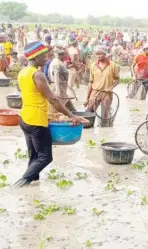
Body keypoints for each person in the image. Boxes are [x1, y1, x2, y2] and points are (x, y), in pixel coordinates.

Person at [14, 41, 87, 187]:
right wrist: (71, 115)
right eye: (44, 56)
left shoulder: (22, 73)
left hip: (24, 118)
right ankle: (20, 184)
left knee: (34, 155)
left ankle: (33, 184)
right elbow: (52, 99)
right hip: (35, 120)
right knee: (45, 157)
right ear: (35, 57)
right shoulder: (37, 74)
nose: (46, 59)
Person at [84, 46, 120, 121]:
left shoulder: (113, 65)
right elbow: (90, 82)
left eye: (100, 54)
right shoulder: (93, 65)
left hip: (107, 93)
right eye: (97, 54)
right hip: (95, 92)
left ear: (105, 54)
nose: (98, 56)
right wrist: (87, 98)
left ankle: (105, 128)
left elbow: (117, 79)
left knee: (105, 115)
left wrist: (111, 87)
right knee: (89, 113)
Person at [49, 48, 76, 113]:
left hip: (63, 88)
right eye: (66, 55)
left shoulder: (58, 62)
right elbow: (56, 75)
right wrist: (58, 90)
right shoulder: (56, 63)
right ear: (61, 55)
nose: (67, 57)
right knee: (59, 109)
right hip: (59, 88)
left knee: (70, 107)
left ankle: (74, 114)